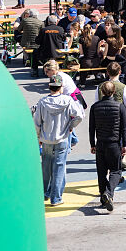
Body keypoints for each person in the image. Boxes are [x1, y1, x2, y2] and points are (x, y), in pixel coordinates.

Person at [32, 74, 85, 206]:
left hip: (46, 139)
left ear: (49, 86)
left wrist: (38, 137)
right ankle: (56, 197)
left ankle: (45, 193)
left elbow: (37, 122)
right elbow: (78, 116)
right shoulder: (67, 101)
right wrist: (70, 126)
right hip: (62, 138)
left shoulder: (42, 102)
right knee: (59, 168)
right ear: (61, 87)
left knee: (46, 166)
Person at [88, 80, 126, 212]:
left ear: (102, 92)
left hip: (100, 142)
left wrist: (92, 144)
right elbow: (123, 128)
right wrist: (124, 145)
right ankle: (108, 193)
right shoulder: (119, 106)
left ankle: (103, 197)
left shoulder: (95, 107)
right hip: (114, 143)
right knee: (116, 171)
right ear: (114, 92)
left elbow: (91, 128)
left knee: (101, 172)